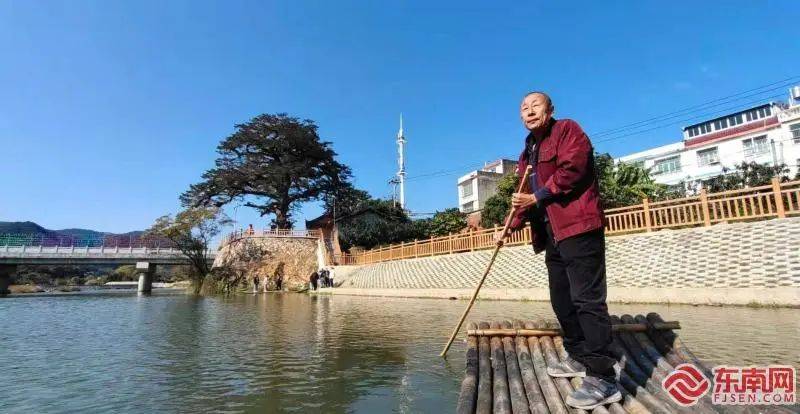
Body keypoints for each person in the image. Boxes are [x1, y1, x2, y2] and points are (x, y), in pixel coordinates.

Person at [499, 91, 619, 410]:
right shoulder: (527, 153)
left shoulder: (567, 130)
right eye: (523, 108)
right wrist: (511, 223)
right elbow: (523, 194)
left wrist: (538, 196)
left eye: (535, 105)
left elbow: (574, 170)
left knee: (586, 300)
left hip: (578, 226)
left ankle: (603, 376)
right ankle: (578, 355)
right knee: (562, 299)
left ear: (550, 110)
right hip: (551, 234)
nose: (529, 110)